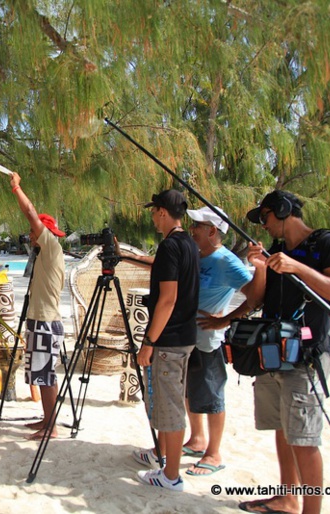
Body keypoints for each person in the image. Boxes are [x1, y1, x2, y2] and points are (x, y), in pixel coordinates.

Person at [239, 190, 330, 514]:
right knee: (282, 428)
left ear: (283, 209)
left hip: (306, 357)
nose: (263, 225)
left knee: (303, 439)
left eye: (265, 217)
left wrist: (297, 268)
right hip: (272, 354)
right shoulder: (275, 250)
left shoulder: (326, 243)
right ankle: (288, 498)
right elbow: (256, 300)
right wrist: (261, 267)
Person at [182, 206, 265, 476]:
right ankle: (197, 440)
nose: (192, 230)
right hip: (188, 337)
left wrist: (225, 320)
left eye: (197, 226)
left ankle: (214, 453)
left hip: (209, 339)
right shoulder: (198, 255)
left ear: (212, 231)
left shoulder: (225, 261)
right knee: (190, 391)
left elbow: (254, 295)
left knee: (211, 394)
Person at [129, 189, 199, 492]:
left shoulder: (171, 246)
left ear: (161, 212)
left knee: (170, 407)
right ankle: (162, 454)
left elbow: (167, 300)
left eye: (153, 212)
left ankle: (171, 475)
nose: (152, 218)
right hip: (184, 336)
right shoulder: (188, 243)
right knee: (169, 402)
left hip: (169, 340)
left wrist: (149, 342)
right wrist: (128, 257)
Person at [9, 172, 65, 440]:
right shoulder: (44, 253)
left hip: (45, 320)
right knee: (41, 375)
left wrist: (17, 188)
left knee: (47, 375)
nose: (30, 236)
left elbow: (30, 212)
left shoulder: (51, 246)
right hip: (39, 319)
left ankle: (51, 426)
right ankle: (46, 420)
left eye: (33, 231)